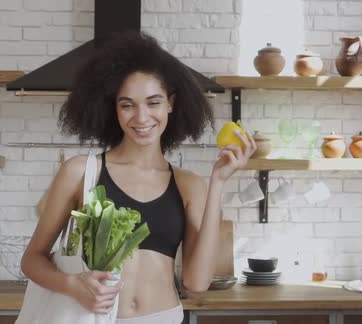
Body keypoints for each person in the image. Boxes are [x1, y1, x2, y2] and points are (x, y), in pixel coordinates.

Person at [21, 31, 256, 324]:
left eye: (153, 103)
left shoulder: (190, 185)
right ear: (114, 108)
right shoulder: (80, 172)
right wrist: (73, 285)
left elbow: (197, 283)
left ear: (171, 103)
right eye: (128, 105)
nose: (142, 118)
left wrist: (219, 182)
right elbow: (32, 259)